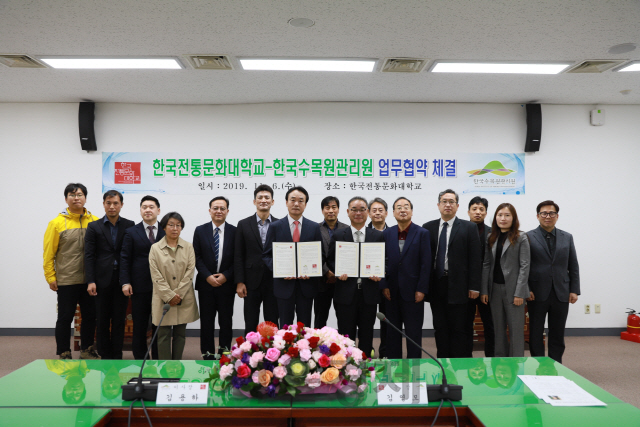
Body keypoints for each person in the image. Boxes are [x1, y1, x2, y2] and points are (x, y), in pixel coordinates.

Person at [422, 189, 482, 358]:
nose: (447, 205)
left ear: (457, 206)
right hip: (437, 284)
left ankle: (460, 363)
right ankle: (443, 360)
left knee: (459, 327)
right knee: (440, 327)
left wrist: (474, 286)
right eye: (444, 201)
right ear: (438, 205)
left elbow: (475, 259)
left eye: (451, 202)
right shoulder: (428, 227)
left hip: (461, 286)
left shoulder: (469, 227)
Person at [43, 183, 100, 360]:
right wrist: (50, 276)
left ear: (85, 198)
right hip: (66, 280)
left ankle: (87, 349)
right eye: (72, 194)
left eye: (80, 194)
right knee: (65, 317)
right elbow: (48, 253)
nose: (76, 198)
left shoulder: (95, 221)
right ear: (66, 198)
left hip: (90, 280)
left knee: (90, 316)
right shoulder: (56, 223)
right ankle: (64, 351)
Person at [329, 197, 385, 357]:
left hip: (369, 293)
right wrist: (337, 272)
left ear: (367, 212)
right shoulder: (339, 235)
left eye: (362, 209)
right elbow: (330, 259)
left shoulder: (377, 236)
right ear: (347, 212)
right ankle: (347, 369)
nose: (358, 213)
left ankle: (366, 368)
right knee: (346, 335)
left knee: (367, 334)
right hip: (345, 293)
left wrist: (379, 274)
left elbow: (385, 260)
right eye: (354, 209)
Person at [526, 200, 580, 364]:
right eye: (544, 213)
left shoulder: (567, 237)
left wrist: (574, 290)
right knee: (536, 331)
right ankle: (538, 364)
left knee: (557, 332)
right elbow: (524, 266)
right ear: (538, 216)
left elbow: (573, 265)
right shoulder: (528, 237)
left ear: (557, 216)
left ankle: (556, 364)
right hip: (536, 292)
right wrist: (526, 289)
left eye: (551, 213)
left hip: (561, 291)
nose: (547, 216)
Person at [263, 186, 323, 327]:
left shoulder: (314, 227)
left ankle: (305, 350)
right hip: (283, 285)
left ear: (305, 204)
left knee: (305, 326)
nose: (296, 204)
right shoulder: (275, 226)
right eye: (293, 200)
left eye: (301, 201)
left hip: (306, 286)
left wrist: (312, 271)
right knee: (285, 326)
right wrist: (279, 270)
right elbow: (266, 255)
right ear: (286, 202)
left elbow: (320, 255)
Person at [85, 190, 135, 359]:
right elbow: (89, 255)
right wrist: (90, 280)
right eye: (108, 203)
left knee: (120, 320)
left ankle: (117, 354)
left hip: (122, 280)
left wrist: (128, 280)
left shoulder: (129, 225)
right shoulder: (94, 226)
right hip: (101, 280)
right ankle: (104, 354)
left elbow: (131, 254)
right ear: (104, 204)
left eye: (115, 203)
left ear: (121, 205)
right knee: (102, 320)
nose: (112, 206)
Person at [383, 197, 431, 359]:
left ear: (411, 211)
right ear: (393, 213)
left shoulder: (422, 233)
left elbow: (426, 264)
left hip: (414, 293)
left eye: (406, 207)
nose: (403, 210)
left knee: (414, 333)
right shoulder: (387, 234)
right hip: (391, 292)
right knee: (392, 333)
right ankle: (395, 367)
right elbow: (381, 262)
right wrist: (384, 286)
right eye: (399, 207)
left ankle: (414, 368)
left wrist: (422, 289)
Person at [481, 203, 530, 357]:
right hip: (494, 289)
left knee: (516, 330)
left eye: (507, 215)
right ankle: (500, 365)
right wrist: (484, 290)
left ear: (513, 218)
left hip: (514, 290)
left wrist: (519, 293)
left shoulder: (521, 237)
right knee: (498, 329)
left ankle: (517, 364)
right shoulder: (491, 237)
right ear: (495, 217)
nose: (503, 218)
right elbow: (486, 264)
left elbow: (525, 266)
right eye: (500, 215)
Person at [120, 195, 165, 359]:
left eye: (151, 207)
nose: (148, 209)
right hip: (139, 286)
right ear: (140, 210)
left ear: (158, 210)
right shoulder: (131, 232)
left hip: (162, 287)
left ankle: (160, 357)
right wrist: (125, 282)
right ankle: (141, 358)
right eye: (144, 207)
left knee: (159, 325)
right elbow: (125, 258)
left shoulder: (167, 231)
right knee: (140, 324)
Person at [149, 212, 199, 360]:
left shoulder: (188, 247)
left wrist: (178, 294)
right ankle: (165, 367)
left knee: (180, 334)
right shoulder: (155, 248)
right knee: (163, 334)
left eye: (178, 225)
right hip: (162, 298)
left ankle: (176, 364)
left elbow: (190, 272)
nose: (175, 228)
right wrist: (169, 295)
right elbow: (155, 275)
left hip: (183, 297)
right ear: (164, 227)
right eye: (171, 225)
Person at [193, 197, 236, 358]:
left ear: (227, 211)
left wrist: (226, 275)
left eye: (222, 208)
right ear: (210, 210)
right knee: (207, 321)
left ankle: (225, 351)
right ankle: (207, 353)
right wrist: (207, 276)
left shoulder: (235, 231)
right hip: (206, 284)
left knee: (226, 320)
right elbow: (196, 257)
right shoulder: (200, 230)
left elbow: (238, 258)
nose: (219, 211)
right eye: (215, 208)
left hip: (227, 284)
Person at [235, 185, 280, 335]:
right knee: (250, 321)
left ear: (272, 201)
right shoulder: (243, 224)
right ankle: (249, 355)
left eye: (267, 197)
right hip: (250, 281)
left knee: (272, 321)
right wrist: (240, 282)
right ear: (254, 201)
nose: (263, 200)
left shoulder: (280, 224)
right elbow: (238, 255)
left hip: (273, 281)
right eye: (260, 197)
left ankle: (273, 355)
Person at [466, 196, 495, 357]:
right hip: (466, 287)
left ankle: (491, 357)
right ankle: (467, 358)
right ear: (468, 211)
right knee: (465, 326)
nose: (478, 212)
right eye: (474, 209)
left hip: (487, 287)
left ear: (485, 212)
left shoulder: (493, 233)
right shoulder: (461, 229)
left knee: (490, 325)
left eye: (481, 209)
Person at [316, 196, 348, 328]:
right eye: (327, 207)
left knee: (344, 317)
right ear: (322, 210)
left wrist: (336, 274)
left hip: (342, 281)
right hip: (321, 282)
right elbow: (313, 253)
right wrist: (327, 272)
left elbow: (348, 254)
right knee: (320, 317)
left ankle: (343, 347)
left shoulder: (347, 229)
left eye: (334, 207)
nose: (331, 210)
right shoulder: (314, 228)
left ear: (338, 210)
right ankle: (315, 346)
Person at [367, 197, 389, 357]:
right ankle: (366, 350)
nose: (377, 213)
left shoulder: (394, 232)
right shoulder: (363, 232)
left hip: (388, 285)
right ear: (368, 213)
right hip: (368, 285)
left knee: (386, 321)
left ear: (387, 213)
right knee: (366, 322)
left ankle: (385, 351)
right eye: (374, 210)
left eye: (380, 210)